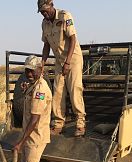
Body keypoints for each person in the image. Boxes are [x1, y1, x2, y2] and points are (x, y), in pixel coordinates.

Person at [13, 55, 52, 162]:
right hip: (30, 136)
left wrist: (21, 142)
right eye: (26, 70)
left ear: (40, 70)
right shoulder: (34, 85)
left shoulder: (40, 90)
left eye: (32, 70)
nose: (28, 73)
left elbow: (34, 119)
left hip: (35, 137)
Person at [38, 0, 86, 136]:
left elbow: (73, 39)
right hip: (59, 61)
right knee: (58, 91)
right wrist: (42, 63)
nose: (44, 14)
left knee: (75, 90)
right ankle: (58, 124)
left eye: (45, 10)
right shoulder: (44, 23)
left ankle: (80, 124)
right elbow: (46, 45)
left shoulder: (65, 16)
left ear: (51, 6)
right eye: (41, 12)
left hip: (73, 58)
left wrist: (68, 63)